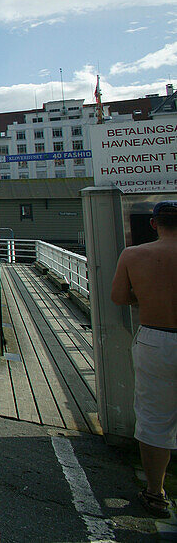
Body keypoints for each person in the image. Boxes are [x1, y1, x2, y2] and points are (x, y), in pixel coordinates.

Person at [110, 200, 177, 518]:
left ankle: (156, 492)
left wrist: (148, 294)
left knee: (153, 419)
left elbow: (119, 297)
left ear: (153, 224)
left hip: (156, 338)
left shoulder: (134, 255)